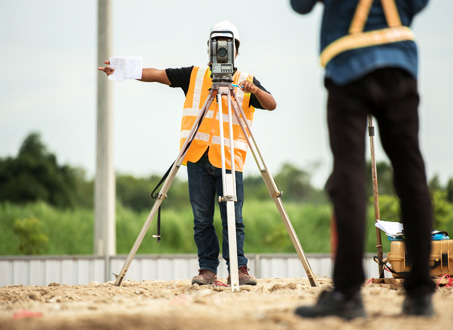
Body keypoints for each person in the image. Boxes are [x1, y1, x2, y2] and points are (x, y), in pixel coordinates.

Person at [98, 20, 277, 286]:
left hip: (230, 160)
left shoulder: (246, 82)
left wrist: (255, 91)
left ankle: (239, 269)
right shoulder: (194, 75)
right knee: (202, 218)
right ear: (209, 49)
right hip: (196, 157)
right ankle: (208, 270)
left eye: (227, 47)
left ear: (236, 50)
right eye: (217, 47)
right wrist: (122, 70)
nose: (222, 52)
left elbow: (271, 104)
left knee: (233, 219)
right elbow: (158, 74)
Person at [290, 0, 435, 319]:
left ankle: (348, 293)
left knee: (349, 177)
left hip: (347, 67)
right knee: (411, 176)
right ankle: (421, 294)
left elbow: (299, 6)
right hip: (400, 61)